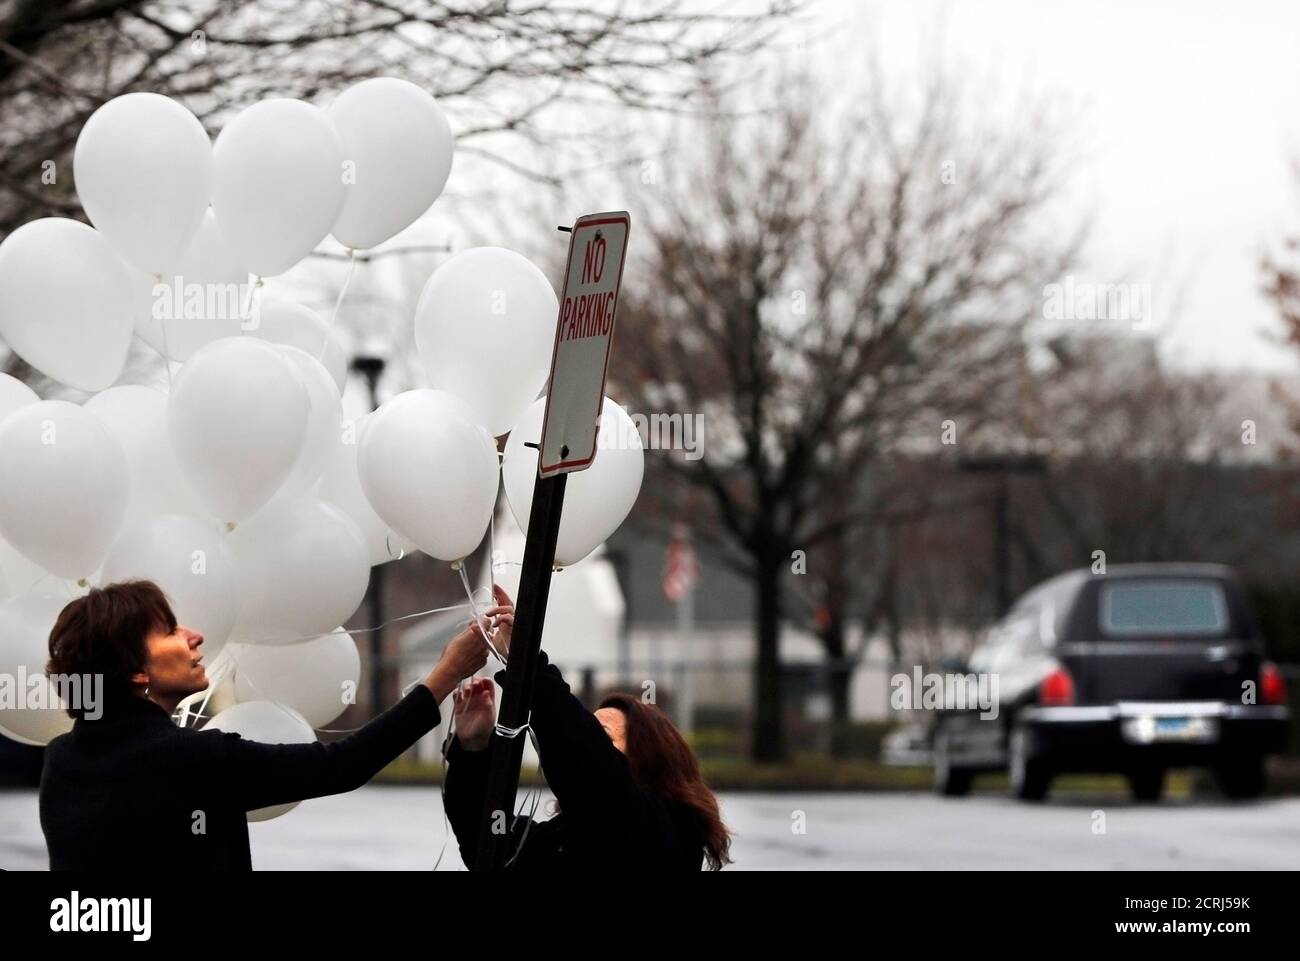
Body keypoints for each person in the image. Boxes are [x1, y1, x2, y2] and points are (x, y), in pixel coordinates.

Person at [39, 579, 489, 870]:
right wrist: (444, 676)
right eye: (170, 631)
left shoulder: (61, 760)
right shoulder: (189, 759)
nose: (194, 636)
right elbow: (342, 765)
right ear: (136, 671)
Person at [444, 584, 732, 871]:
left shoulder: (666, 829)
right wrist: (474, 748)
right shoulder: (562, 836)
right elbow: (490, 848)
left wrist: (526, 661)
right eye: (592, 729)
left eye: (604, 736)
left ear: (651, 756)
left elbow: (592, 766)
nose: (592, 737)